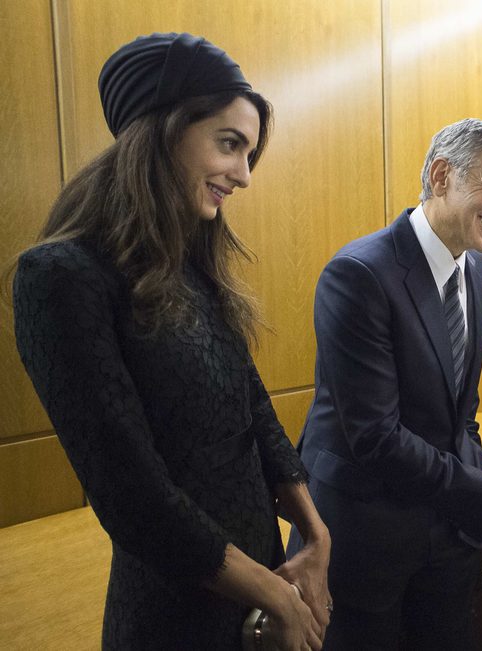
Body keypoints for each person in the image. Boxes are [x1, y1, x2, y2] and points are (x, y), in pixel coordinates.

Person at [11, 33, 331, 650]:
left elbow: (252, 409)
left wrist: (316, 536)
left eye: (249, 153)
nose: (243, 175)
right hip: (175, 612)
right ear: (162, 132)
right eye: (229, 145)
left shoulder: (191, 257)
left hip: (263, 584)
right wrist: (274, 595)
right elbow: (133, 496)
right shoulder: (59, 276)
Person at [290, 118, 482, 649]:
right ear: (441, 175)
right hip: (366, 541)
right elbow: (376, 437)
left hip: (446, 537)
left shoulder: (478, 271)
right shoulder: (359, 274)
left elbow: (460, 414)